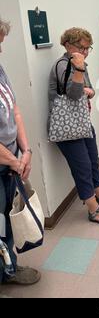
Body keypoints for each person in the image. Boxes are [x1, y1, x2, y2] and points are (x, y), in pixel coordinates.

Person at [49, 27, 99, 227]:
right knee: (81, 168)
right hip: (67, 128)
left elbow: (88, 90)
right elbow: (73, 94)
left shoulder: (80, 64)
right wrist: (80, 72)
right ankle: (93, 209)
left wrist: (86, 88)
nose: (86, 52)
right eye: (82, 47)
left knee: (92, 160)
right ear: (68, 45)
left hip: (81, 122)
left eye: (88, 48)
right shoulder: (63, 65)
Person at [0, 17, 41, 286]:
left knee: (8, 216)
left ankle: (8, 270)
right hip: (6, 161)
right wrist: (15, 160)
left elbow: (15, 109)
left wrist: (25, 151)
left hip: (10, 159)